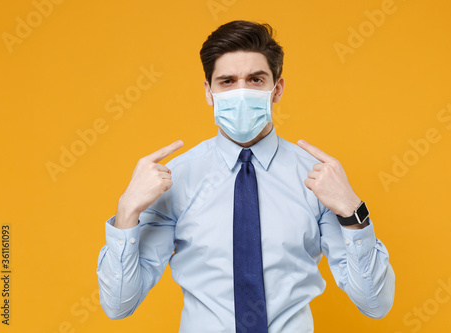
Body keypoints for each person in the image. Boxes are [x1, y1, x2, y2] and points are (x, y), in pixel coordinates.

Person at [97, 20, 395, 332]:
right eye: (227, 81)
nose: (240, 92)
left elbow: (375, 304)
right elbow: (119, 305)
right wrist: (126, 211)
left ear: (276, 89)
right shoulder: (176, 178)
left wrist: (353, 211)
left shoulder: (316, 178)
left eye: (255, 79)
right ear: (209, 93)